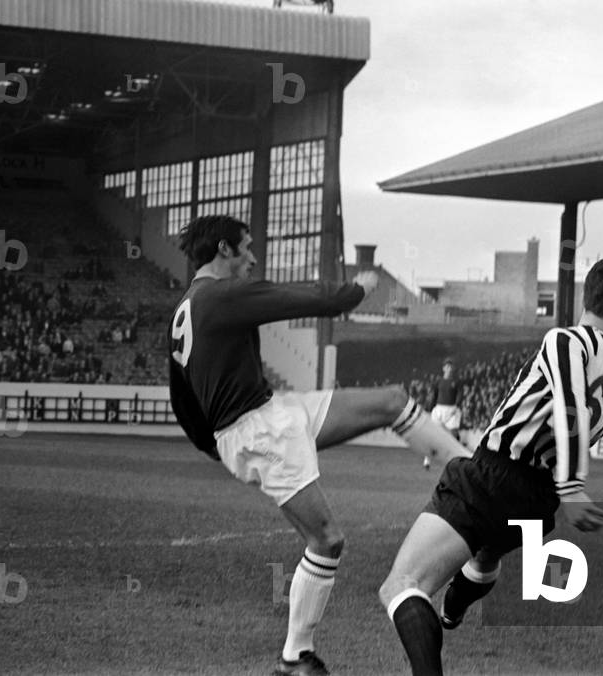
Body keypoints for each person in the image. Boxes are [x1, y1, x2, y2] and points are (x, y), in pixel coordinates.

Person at [167, 215, 471, 676]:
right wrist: (359, 288)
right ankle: (294, 657)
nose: (252, 257)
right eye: (246, 248)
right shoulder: (220, 294)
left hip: (268, 413)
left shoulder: (187, 307)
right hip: (258, 430)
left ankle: (470, 471)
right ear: (224, 249)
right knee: (327, 540)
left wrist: (211, 445)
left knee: (390, 401)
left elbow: (180, 394)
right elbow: (307, 299)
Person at [379, 258, 603, 676]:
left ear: (587, 295)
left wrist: (572, 486)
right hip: (536, 504)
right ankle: (452, 611)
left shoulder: (566, 341)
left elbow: (569, 406)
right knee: (486, 554)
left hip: (497, 473)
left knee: (402, 586)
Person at [424, 358, 463, 469]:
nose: (449, 368)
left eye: (451, 366)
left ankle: (454, 459)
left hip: (452, 409)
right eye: (447, 366)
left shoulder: (457, 382)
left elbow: (460, 395)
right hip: (439, 409)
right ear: (443, 368)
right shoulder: (438, 381)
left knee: (454, 434)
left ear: (453, 368)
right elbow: (434, 395)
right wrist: (430, 408)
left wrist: (456, 406)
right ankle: (427, 460)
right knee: (432, 434)